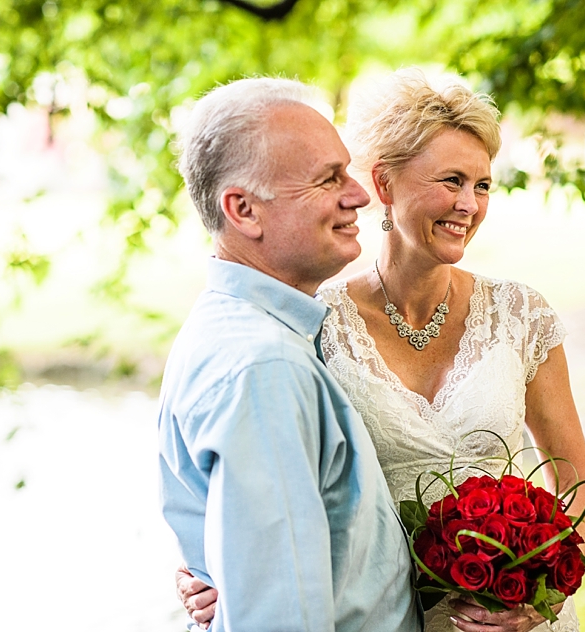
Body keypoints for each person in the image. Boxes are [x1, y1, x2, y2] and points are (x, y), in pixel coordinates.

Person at [177, 69, 585, 632]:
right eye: (451, 180)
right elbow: (260, 474)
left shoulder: (521, 316)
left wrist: (542, 592)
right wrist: (209, 570)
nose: (469, 205)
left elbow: (578, 482)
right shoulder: (315, 325)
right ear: (384, 184)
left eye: (482, 185)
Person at [157, 77, 421, 632]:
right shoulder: (264, 370)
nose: (359, 195)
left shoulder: (239, 333)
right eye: (328, 179)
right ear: (244, 210)